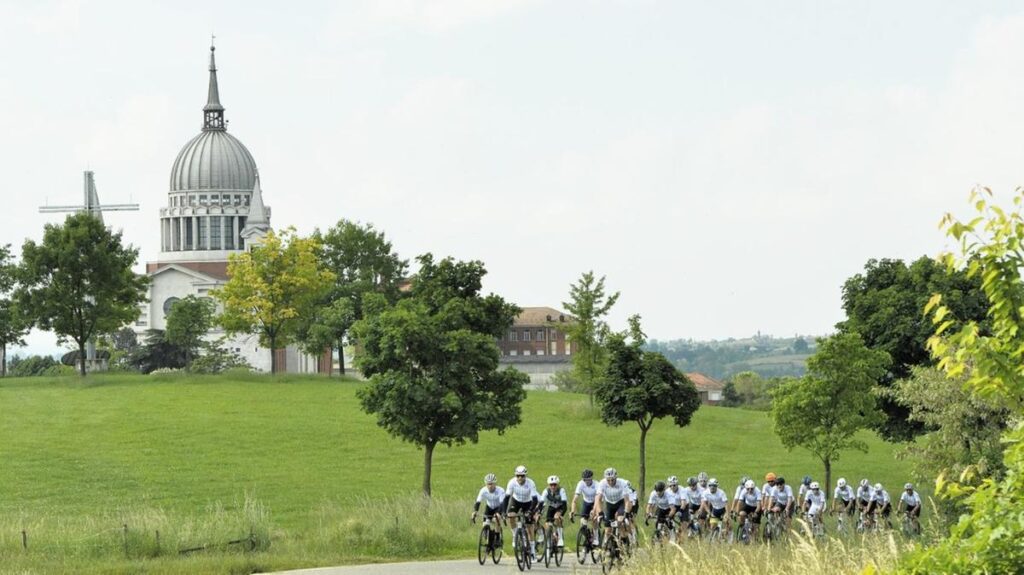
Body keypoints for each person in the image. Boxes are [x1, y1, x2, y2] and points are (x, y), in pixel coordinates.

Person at [504, 465, 540, 560]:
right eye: (518, 476)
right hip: (515, 501)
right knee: (511, 516)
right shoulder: (511, 482)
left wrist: (530, 511)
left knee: (529, 527)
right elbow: (506, 498)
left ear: (525, 476)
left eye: (522, 476)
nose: (520, 478)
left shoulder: (530, 483)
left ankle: (532, 551)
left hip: (528, 503)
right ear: (516, 476)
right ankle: (515, 534)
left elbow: (535, 500)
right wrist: (504, 512)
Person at [592, 468, 633, 547]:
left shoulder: (622, 483)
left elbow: (627, 501)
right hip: (610, 504)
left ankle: (624, 544)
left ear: (616, 478)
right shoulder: (602, 483)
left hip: (620, 503)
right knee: (607, 529)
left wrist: (626, 513)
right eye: (608, 480)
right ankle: (607, 545)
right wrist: (600, 513)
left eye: (612, 480)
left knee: (620, 521)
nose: (610, 482)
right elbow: (598, 499)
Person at [473, 473, 506, 546]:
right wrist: (475, 512)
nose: (490, 486)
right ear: (486, 484)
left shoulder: (500, 490)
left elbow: (502, 504)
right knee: (485, 524)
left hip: (498, 507)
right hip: (489, 507)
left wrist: (499, 513)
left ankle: (497, 537)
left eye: (491, 484)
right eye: (488, 484)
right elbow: (478, 502)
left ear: (495, 483)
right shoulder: (483, 490)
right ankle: (488, 539)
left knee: (496, 519)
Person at [538, 475, 568, 547]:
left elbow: (565, 505)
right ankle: (551, 537)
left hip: (560, 507)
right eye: (551, 485)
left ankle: (560, 538)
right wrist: (539, 513)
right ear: (549, 485)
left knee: (557, 518)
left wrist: (560, 513)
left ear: (557, 485)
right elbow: (541, 503)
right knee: (547, 524)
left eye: (555, 485)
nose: (553, 487)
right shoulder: (546, 491)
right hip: (551, 507)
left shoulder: (561, 490)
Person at [571, 468, 599, 546]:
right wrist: (572, 511)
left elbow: (598, 499)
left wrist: (594, 510)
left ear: (592, 479)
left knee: (594, 519)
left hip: (595, 502)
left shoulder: (597, 484)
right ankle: (588, 538)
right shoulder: (580, 484)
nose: (587, 482)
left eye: (589, 480)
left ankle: (596, 537)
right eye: (585, 480)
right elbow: (575, 499)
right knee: (583, 522)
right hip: (586, 503)